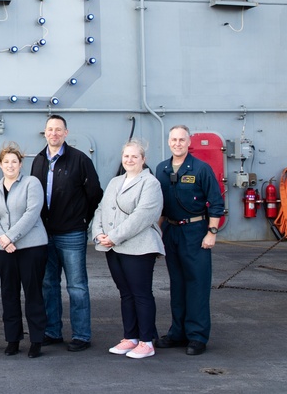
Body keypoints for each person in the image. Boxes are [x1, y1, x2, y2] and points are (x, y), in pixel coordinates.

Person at [30, 114, 103, 352]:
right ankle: (52, 331)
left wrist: (82, 218)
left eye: (58, 129)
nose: (54, 133)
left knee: (77, 286)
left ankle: (82, 335)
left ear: (66, 133)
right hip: (44, 233)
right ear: (45, 132)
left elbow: (94, 193)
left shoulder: (80, 160)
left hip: (71, 233)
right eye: (50, 129)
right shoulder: (39, 160)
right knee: (48, 284)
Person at [154, 125, 225, 356]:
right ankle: (178, 333)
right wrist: (157, 232)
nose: (177, 143)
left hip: (196, 231)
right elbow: (160, 205)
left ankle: (197, 336)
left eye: (181, 140)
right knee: (177, 284)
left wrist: (211, 232)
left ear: (188, 143)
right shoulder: (162, 169)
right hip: (172, 231)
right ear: (169, 142)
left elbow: (216, 203)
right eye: (173, 139)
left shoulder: (201, 169)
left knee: (197, 284)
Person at [92, 139, 164, 360]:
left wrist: (113, 237)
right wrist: (98, 233)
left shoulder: (150, 183)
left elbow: (143, 217)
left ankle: (146, 341)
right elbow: (101, 208)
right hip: (114, 247)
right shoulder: (115, 182)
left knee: (141, 294)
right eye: (126, 156)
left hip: (139, 248)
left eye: (134, 156)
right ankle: (130, 337)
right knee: (126, 294)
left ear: (143, 159)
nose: (130, 160)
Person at [0, 143, 47, 358]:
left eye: (14, 161)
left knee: (33, 293)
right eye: (6, 162)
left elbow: (32, 213)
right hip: (3, 249)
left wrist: (10, 237)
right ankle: (12, 339)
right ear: (0, 164)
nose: (10, 165)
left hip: (31, 247)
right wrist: (3, 239)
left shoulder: (31, 183)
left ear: (20, 164)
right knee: (8, 294)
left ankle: (37, 340)